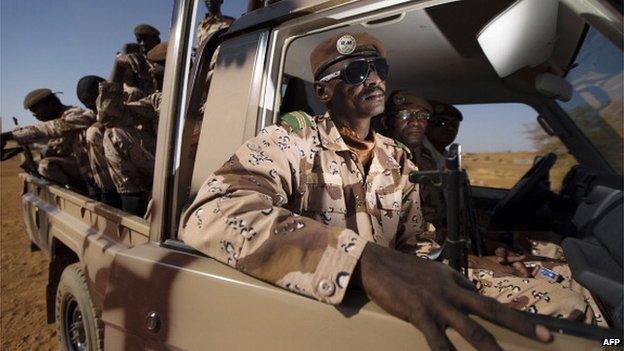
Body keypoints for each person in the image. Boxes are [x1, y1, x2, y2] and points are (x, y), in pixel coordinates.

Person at [180, 32, 555, 350]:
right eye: (358, 72)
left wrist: (470, 264)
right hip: (330, 312)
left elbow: (415, 244)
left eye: (380, 70)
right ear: (324, 91)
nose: (374, 80)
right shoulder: (291, 141)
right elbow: (212, 212)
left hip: (394, 301)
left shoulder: (398, 157)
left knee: (559, 299)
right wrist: (359, 259)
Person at [384, 92, 600, 326]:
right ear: (388, 120)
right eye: (406, 114)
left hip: (452, 251)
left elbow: (442, 220)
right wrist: (478, 260)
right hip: (434, 267)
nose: (417, 121)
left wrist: (483, 241)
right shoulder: (388, 165)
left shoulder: (429, 158)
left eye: (423, 115)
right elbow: (401, 249)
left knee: (569, 265)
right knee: (570, 296)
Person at [96, 42, 167, 215]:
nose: (150, 71)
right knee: (114, 134)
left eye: (156, 66)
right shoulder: (157, 100)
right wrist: (118, 68)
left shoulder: (210, 87)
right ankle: (132, 212)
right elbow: (109, 117)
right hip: (173, 169)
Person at [1, 89, 97, 191]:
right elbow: (45, 143)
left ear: (50, 103)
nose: (36, 115)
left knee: (46, 165)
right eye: (33, 113)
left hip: (91, 167)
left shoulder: (75, 114)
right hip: (79, 167)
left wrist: (9, 135)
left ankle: (79, 192)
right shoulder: (53, 122)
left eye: (37, 110)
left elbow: (50, 128)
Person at [78, 75, 121, 206]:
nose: (94, 108)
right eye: (89, 105)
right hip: (110, 186)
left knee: (93, 133)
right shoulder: (90, 116)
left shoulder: (128, 100)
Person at [423, 101, 462, 170]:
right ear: (426, 125)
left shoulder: (448, 156)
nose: (450, 128)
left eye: (454, 124)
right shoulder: (416, 153)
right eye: (441, 121)